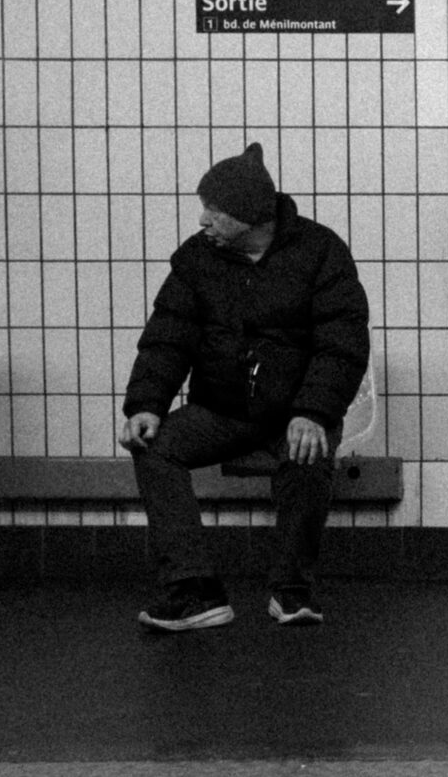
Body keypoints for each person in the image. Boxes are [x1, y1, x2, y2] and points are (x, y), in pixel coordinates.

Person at [121, 143, 371, 631]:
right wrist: (146, 404)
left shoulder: (320, 252)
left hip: (294, 411)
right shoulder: (196, 259)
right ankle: (194, 592)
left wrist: (313, 412)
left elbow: (342, 344)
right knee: (154, 447)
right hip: (223, 410)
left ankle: (291, 589)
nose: (203, 220)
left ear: (250, 215)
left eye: (214, 211)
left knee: (308, 452)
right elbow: (168, 338)